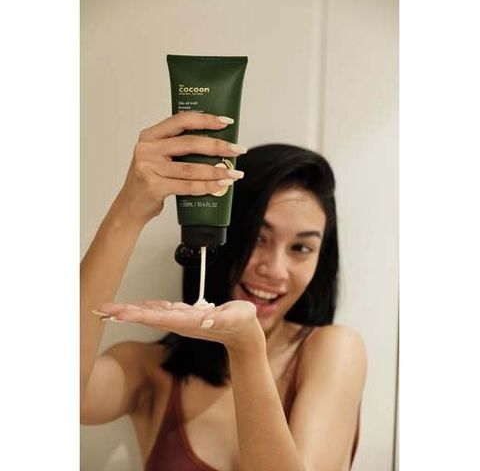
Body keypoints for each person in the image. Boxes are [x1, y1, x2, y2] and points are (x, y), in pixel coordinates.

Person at [80, 111, 367, 471]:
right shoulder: (151, 371)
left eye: (301, 248)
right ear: (222, 237)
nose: (274, 269)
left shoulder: (333, 351)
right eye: (258, 238)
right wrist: (130, 209)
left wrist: (246, 350)